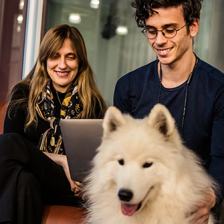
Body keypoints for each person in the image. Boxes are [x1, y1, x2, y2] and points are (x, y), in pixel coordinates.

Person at [114, 0, 224, 223]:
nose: (159, 40)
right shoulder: (128, 86)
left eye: (170, 30)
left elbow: (221, 158)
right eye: (152, 31)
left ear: (193, 26)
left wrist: (210, 197)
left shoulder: (218, 89)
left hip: (190, 203)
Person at [0, 24, 107, 224]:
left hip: (71, 187)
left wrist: (87, 180)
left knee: (8, 148)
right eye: (55, 56)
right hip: (33, 179)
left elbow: (99, 159)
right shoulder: (23, 94)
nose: (62, 64)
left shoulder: (93, 103)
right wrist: (62, 160)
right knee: (22, 178)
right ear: (45, 60)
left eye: (70, 56)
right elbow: (11, 150)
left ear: (80, 61)